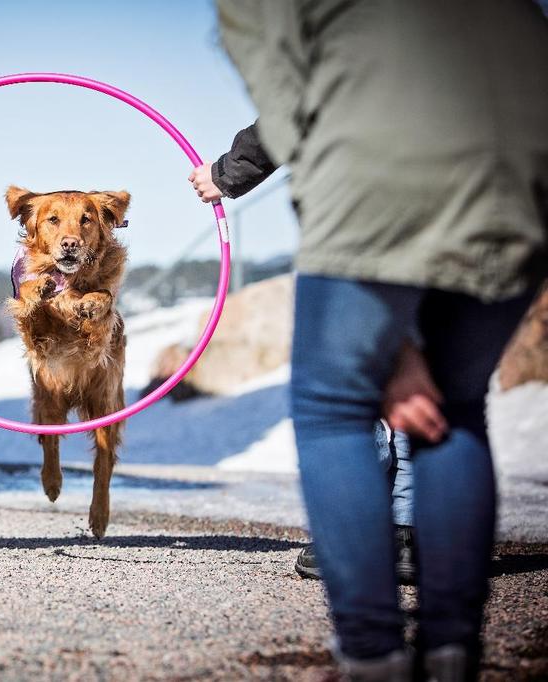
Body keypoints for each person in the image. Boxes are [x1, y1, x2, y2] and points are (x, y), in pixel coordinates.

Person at [202, 1, 548, 679]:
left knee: (335, 405)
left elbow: (298, 112)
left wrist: (238, 176)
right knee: (452, 403)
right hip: (529, 150)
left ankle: (372, 653)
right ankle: (452, 648)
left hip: (382, 166)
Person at [190, 122, 435, 584]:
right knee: (422, 377)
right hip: (459, 210)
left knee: (346, 388)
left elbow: (295, 105)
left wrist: (226, 173)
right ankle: (409, 534)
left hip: (367, 221)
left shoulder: (353, 51)